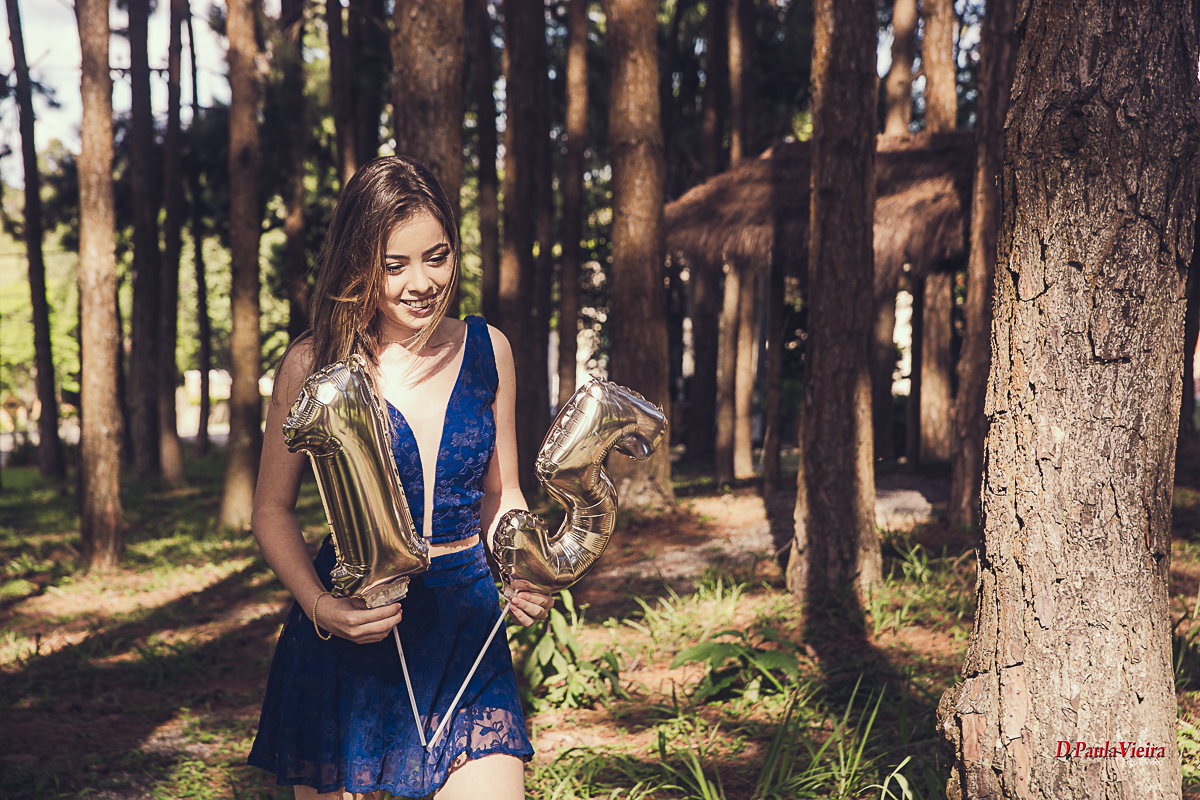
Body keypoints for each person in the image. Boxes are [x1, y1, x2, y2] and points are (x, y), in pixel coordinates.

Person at [247, 156, 553, 799]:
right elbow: (271, 510)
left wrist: (522, 567)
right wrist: (321, 607)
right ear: (360, 265)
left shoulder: (489, 349)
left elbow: (503, 494)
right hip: (355, 630)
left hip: (466, 628)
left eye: (436, 257)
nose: (422, 281)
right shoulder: (314, 363)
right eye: (395, 264)